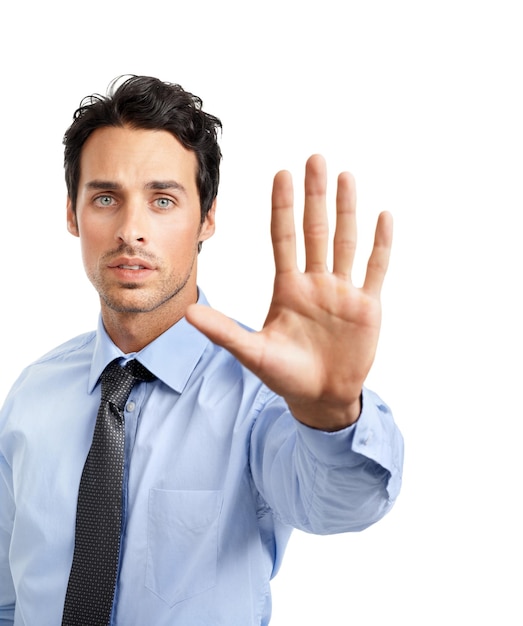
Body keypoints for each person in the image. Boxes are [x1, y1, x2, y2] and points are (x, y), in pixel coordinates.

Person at [0, 75, 404, 626]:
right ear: (72, 215)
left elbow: (339, 503)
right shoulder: (31, 394)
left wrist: (331, 415)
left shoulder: (262, 398)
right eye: (104, 198)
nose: (131, 230)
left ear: (207, 218)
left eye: (163, 200)